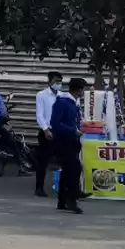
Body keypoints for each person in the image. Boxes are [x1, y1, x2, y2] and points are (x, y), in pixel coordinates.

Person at [50, 76, 87, 213]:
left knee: (68, 170)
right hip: (63, 140)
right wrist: (72, 130)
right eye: (83, 90)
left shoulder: (73, 103)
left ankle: (62, 200)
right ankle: (72, 198)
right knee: (74, 168)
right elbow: (55, 123)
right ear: (78, 90)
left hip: (72, 140)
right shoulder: (63, 103)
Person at [34, 71, 63, 198]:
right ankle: (39, 187)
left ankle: (64, 188)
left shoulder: (62, 96)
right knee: (43, 162)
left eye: (60, 81)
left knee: (64, 160)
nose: (58, 84)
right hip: (47, 131)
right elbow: (39, 114)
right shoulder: (42, 95)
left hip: (60, 131)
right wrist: (45, 130)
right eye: (56, 81)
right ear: (49, 82)